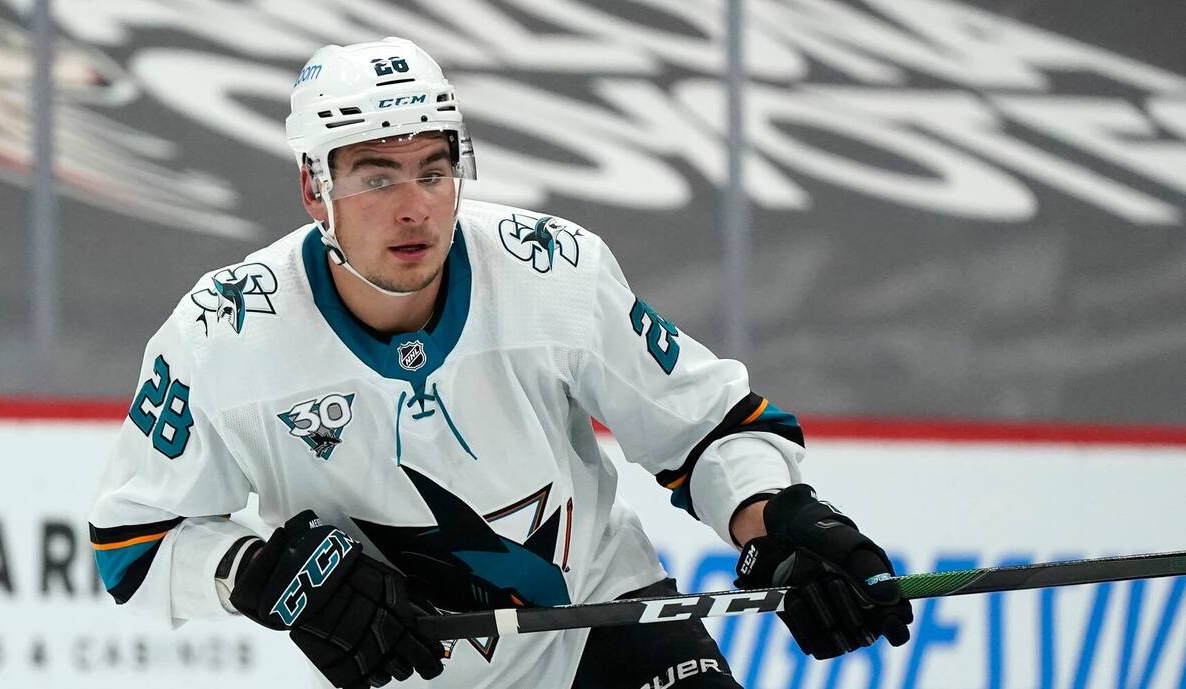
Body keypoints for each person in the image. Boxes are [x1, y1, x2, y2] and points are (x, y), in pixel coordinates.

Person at [89, 38, 912, 689]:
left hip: (604, 626)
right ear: (315, 189)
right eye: (376, 177)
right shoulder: (221, 331)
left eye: (433, 169)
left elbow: (705, 429)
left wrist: (773, 519)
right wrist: (256, 572)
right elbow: (133, 543)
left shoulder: (551, 269)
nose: (414, 206)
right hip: (409, 672)